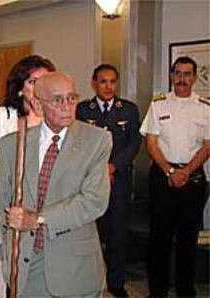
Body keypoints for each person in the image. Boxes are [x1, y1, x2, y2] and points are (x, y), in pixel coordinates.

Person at [0, 72, 112, 297]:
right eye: (58, 100)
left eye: (72, 98)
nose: (67, 106)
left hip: (75, 267)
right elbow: (4, 205)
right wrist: (9, 253)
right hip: (27, 268)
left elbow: (94, 202)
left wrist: (38, 219)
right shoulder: (13, 146)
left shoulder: (96, 140)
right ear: (38, 104)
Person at [0, 55, 55, 297]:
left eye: (45, 80)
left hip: (49, 207)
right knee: (9, 270)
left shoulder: (60, 116)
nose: (39, 87)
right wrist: (11, 184)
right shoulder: (5, 116)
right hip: (13, 204)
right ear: (20, 87)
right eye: (32, 81)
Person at [140, 56, 209, 297]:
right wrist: (170, 171)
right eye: (177, 73)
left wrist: (185, 172)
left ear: (194, 77)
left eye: (187, 74)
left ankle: (185, 290)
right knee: (159, 237)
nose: (182, 79)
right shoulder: (159, 104)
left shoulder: (205, 107)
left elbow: (208, 146)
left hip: (193, 179)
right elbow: (151, 142)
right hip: (162, 177)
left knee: (187, 239)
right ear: (171, 76)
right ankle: (157, 290)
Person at [76, 64, 141, 297]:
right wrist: (97, 168)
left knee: (117, 235)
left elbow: (134, 144)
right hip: (89, 181)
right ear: (94, 83)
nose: (108, 86)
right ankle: (88, 279)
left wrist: (113, 166)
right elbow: (78, 143)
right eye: (103, 81)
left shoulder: (129, 110)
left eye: (112, 81)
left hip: (119, 181)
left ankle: (116, 283)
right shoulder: (83, 110)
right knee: (89, 233)